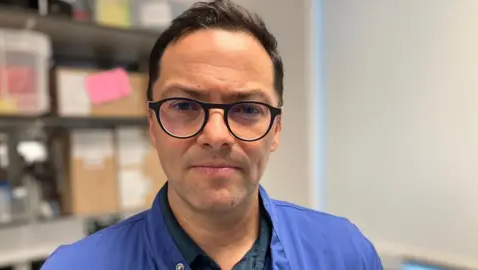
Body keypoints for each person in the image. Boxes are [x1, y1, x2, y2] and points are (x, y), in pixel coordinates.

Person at [41, 0, 383, 269]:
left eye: (247, 109)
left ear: (276, 130)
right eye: (185, 106)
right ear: (152, 126)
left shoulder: (346, 255)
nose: (215, 135)